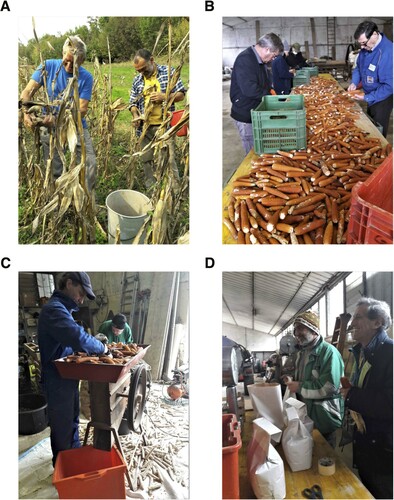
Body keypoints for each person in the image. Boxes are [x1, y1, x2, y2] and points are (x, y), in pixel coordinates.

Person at [37, 272, 107, 466]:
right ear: (69, 284)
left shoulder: (63, 310)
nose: (81, 298)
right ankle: (63, 466)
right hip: (56, 378)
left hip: (66, 375)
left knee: (71, 420)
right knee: (62, 424)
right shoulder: (54, 309)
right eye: (80, 292)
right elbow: (77, 337)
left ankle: (72, 456)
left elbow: (75, 339)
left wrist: (92, 344)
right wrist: (102, 348)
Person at [20, 36, 96, 192]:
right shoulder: (47, 66)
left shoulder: (86, 77)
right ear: (62, 54)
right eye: (66, 60)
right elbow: (28, 91)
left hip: (76, 126)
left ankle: (86, 200)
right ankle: (57, 200)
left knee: (89, 163)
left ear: (81, 61)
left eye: (74, 63)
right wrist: (25, 112)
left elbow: (82, 110)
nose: (69, 66)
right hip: (50, 127)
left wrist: (58, 119)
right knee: (55, 168)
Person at [341, 298, 393, 499]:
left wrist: (352, 395)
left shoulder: (391, 353)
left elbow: (391, 402)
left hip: (384, 447)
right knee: (367, 488)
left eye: (358, 317)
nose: (352, 323)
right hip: (365, 440)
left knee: (381, 491)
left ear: (377, 322)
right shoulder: (362, 352)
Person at [285, 310, 344, 448]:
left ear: (314, 330)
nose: (296, 334)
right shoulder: (302, 353)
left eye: (301, 328)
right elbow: (302, 377)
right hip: (306, 415)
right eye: (295, 329)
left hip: (324, 418)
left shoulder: (329, 353)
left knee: (325, 456)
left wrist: (298, 386)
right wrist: (291, 379)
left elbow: (329, 388)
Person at [129, 49, 186, 189]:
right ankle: (151, 186)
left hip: (165, 125)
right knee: (146, 158)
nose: (141, 73)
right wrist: (136, 115)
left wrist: (165, 97)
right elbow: (132, 103)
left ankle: (174, 188)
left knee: (169, 158)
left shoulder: (169, 72)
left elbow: (181, 94)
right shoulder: (137, 80)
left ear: (152, 60)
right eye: (138, 70)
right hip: (145, 127)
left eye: (143, 69)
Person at [230, 33, 283, 154]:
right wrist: (270, 98)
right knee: (253, 152)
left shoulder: (260, 61)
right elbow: (249, 89)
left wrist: (271, 90)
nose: (272, 59)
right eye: (273, 56)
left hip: (256, 111)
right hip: (246, 114)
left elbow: (265, 82)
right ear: (267, 49)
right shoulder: (245, 59)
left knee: (260, 147)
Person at [347, 21, 393, 138]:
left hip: (382, 98)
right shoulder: (366, 48)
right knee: (370, 125)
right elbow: (358, 68)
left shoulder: (388, 52)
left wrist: (367, 97)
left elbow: (389, 86)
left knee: (377, 130)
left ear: (374, 34)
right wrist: (354, 82)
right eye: (360, 44)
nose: (362, 47)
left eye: (363, 43)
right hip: (369, 94)